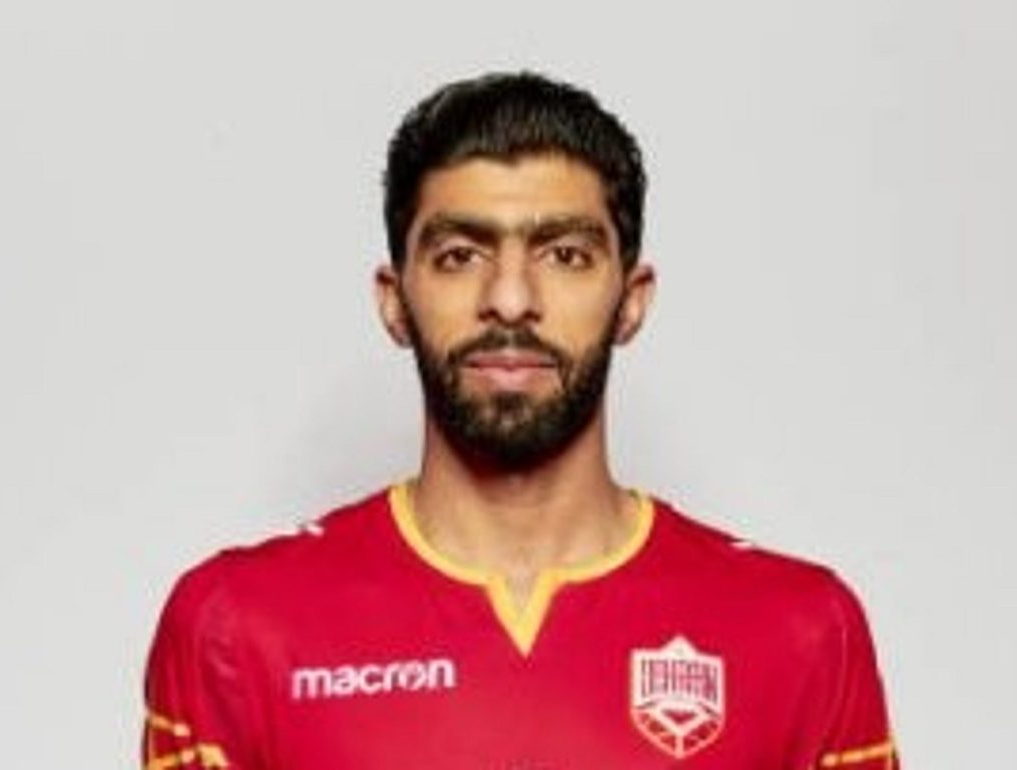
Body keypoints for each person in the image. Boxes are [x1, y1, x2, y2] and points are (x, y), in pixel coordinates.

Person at [142, 72, 899, 770]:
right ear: (395, 301)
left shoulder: (801, 632)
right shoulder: (236, 628)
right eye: (459, 255)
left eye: (565, 254)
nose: (509, 300)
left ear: (631, 300)